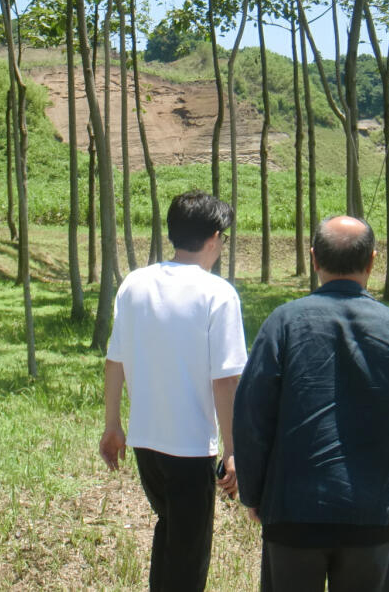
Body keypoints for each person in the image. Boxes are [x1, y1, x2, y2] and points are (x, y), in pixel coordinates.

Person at [233, 216, 389, 592]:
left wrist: (252, 490)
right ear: (372, 261)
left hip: (292, 512)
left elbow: (252, 417)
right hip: (370, 515)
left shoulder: (282, 324)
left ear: (314, 258)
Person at [99, 190, 246, 591]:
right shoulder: (218, 294)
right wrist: (233, 449)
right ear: (213, 238)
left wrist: (112, 425)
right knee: (188, 558)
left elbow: (115, 360)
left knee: (170, 535)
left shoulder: (135, 283)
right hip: (192, 448)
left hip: (146, 444)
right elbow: (226, 379)